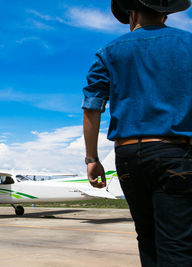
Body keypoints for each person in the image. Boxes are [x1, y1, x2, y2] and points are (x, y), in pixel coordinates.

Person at [82, 0, 192, 266]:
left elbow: (92, 107)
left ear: (132, 14)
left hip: (128, 155)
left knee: (147, 237)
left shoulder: (109, 51)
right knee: (177, 244)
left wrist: (92, 159)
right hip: (176, 152)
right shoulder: (187, 44)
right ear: (165, 15)